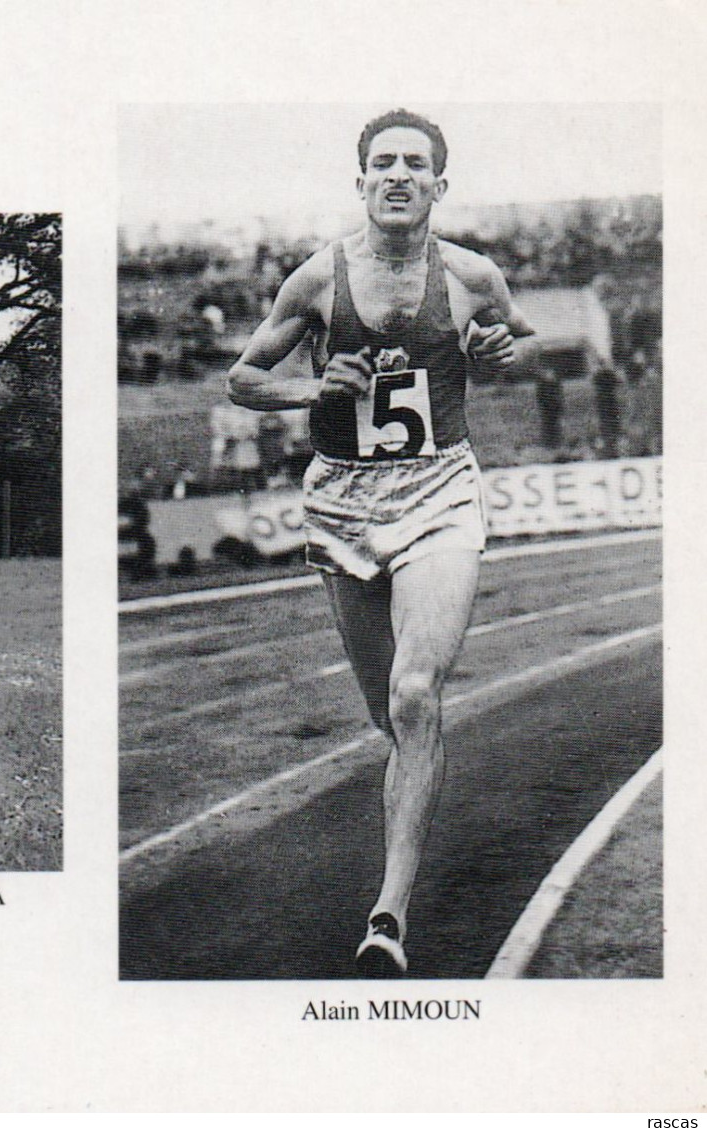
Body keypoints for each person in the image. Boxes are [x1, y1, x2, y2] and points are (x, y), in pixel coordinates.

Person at [227, 109, 533, 976]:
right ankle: (420, 774)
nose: (398, 175)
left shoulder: (472, 275)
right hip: (342, 503)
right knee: (391, 722)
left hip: (437, 487)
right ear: (359, 180)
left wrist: (501, 349)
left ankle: (386, 917)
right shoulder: (316, 280)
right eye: (382, 163)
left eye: (415, 164)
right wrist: (311, 390)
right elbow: (242, 378)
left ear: (440, 184)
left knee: (412, 695)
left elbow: (514, 341)